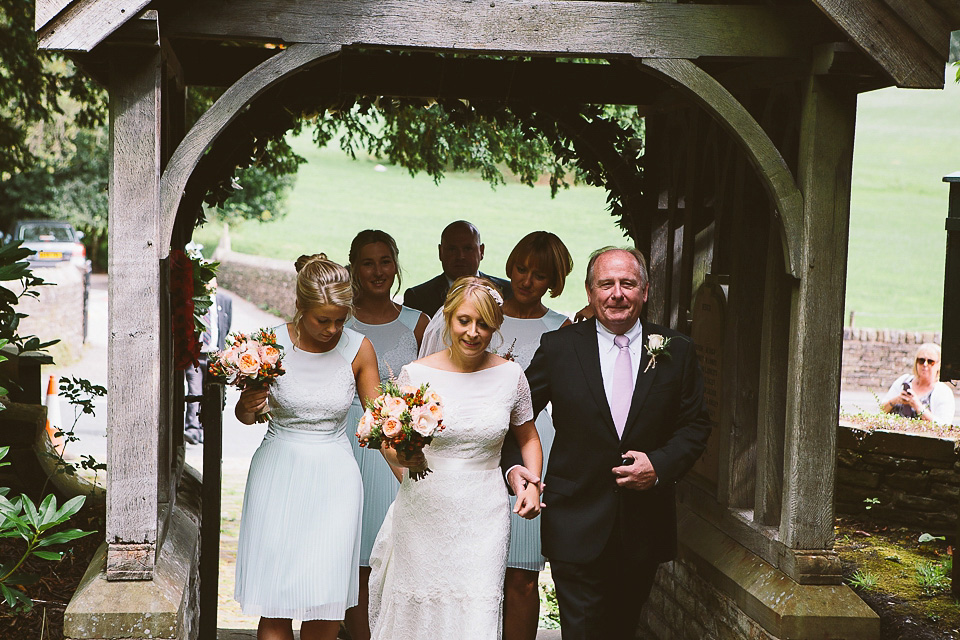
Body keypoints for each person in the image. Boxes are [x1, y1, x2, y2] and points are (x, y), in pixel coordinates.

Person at [504, 247, 712, 640]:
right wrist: (518, 471)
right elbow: (516, 417)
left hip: (642, 526)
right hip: (574, 519)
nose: (617, 293)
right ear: (589, 291)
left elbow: (695, 425)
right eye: (606, 284)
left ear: (645, 291)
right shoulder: (559, 348)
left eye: (627, 283)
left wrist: (660, 465)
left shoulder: (676, 350)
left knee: (621, 629)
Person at [368, 277, 543, 640]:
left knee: (475, 609)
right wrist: (407, 470)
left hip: (484, 513)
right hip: (424, 510)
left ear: (495, 326)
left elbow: (528, 437)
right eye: (464, 320)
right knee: (421, 608)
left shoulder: (511, 376)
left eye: (483, 324)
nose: (473, 332)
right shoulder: (416, 375)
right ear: (448, 319)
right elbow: (387, 438)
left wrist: (533, 484)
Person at [234, 254, 380, 640]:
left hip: (335, 479)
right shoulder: (267, 346)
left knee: (326, 602)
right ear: (300, 306)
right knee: (277, 603)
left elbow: (383, 427)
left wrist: (413, 472)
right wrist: (246, 408)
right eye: (322, 319)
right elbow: (245, 416)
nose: (333, 329)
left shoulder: (359, 349)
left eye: (340, 319)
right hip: (278, 472)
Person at [342, 230, 429, 640]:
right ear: (353, 267)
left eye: (385, 261)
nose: (378, 271)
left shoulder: (418, 323)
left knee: (397, 552)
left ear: (396, 264)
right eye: (367, 262)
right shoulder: (340, 321)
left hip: (397, 451)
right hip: (348, 444)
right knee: (356, 556)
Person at [497, 232, 573, 640]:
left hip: (535, 446)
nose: (526, 281)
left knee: (523, 574)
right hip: (485, 444)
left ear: (553, 281)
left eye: (539, 275)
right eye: (521, 269)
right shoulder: (483, 317)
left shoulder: (562, 328)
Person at [402, 220, 512, 317]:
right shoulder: (417, 298)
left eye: (468, 249)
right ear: (440, 252)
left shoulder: (508, 292)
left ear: (481, 251)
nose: (460, 256)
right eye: (452, 249)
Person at [184, 279, 232, 445]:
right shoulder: (194, 301)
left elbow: (226, 326)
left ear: (216, 284)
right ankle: (192, 429)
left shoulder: (224, 301)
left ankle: (207, 429)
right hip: (196, 355)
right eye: (205, 283)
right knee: (195, 391)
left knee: (213, 394)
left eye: (211, 283)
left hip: (215, 356)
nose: (208, 286)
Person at [881, 342, 955, 424]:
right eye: (921, 360)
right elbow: (881, 410)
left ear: (939, 365)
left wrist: (917, 406)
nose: (925, 364)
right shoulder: (903, 381)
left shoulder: (943, 392)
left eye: (930, 362)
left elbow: (943, 426)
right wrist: (896, 400)